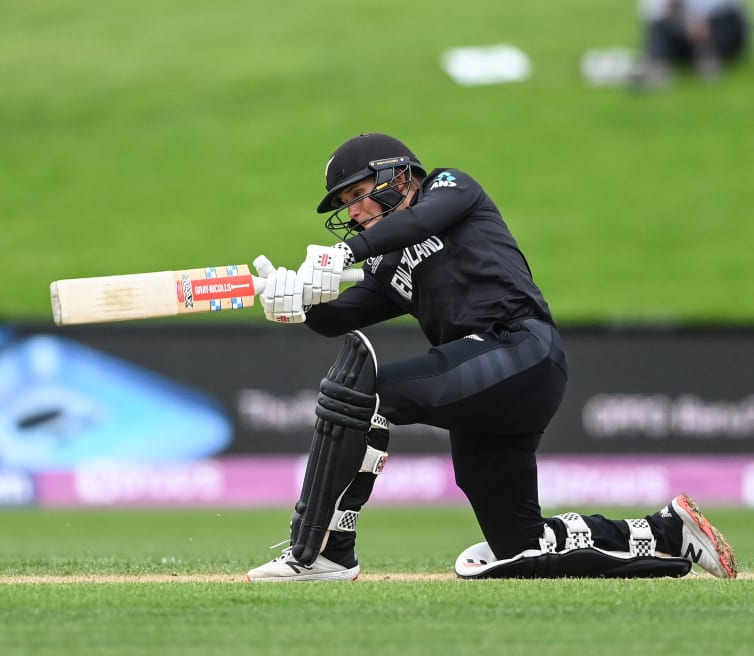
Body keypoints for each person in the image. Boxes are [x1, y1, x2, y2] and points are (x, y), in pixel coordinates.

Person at [246, 132, 737, 581]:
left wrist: (346, 253)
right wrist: (297, 303)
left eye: (357, 195)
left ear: (398, 175)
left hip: (520, 351)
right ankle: (668, 532)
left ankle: (325, 552)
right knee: (519, 548)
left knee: (361, 391)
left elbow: (423, 220)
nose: (352, 212)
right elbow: (337, 319)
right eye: (345, 204)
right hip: (487, 382)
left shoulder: (449, 186)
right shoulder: (387, 259)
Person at [633, 0, 750, 86]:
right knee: (659, 27)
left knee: (722, 23)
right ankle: (658, 66)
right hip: (682, 28)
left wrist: (698, 19)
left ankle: (708, 57)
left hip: (718, 22)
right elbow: (652, 12)